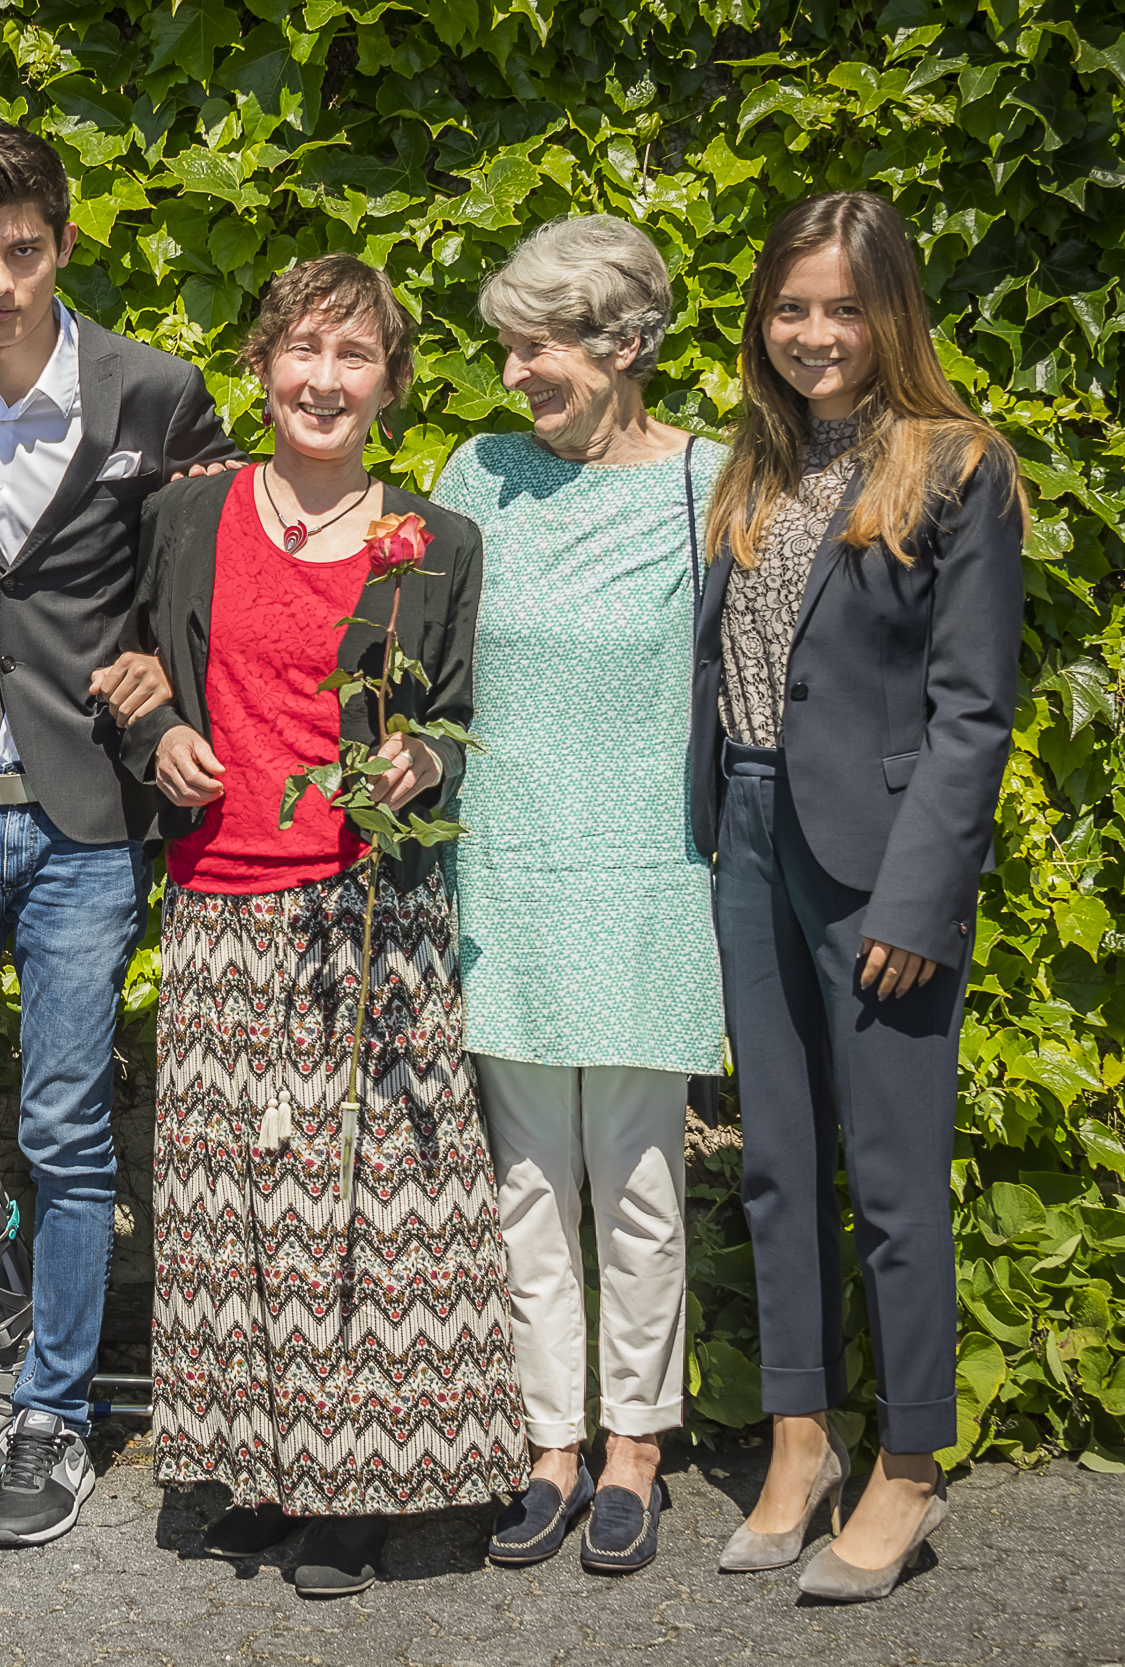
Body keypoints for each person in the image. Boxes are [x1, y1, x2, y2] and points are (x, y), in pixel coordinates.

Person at [0, 115, 239, 1549]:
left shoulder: (155, 392)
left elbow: (213, 571)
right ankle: (10, 1341)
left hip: (89, 812)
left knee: (70, 1132)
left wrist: (164, 678)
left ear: (65, 242)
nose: (0, 283)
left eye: (23, 250)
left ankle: (52, 1414)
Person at [121, 253, 525, 1597]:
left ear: (390, 383)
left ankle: (357, 1489)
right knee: (232, 1203)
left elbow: (453, 713)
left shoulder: (436, 542)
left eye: (355, 356)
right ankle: (262, 1470)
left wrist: (424, 760)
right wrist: (157, 735)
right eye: (303, 349)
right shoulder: (187, 514)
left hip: (365, 909)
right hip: (218, 898)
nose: (324, 379)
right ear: (261, 366)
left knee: (365, 1204)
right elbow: (130, 663)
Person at [691, 192, 1024, 1602]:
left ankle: (909, 1466)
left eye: (841, 307)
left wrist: (918, 898)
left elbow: (974, 708)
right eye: (790, 306)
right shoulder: (755, 465)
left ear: (891, 314)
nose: (813, 333)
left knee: (889, 1179)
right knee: (776, 1163)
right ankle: (799, 1438)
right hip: (750, 833)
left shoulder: (959, 466)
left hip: (881, 864)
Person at [425, 215, 725, 1576]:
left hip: (650, 872)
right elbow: (418, 658)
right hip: (504, 868)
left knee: (643, 1186)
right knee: (525, 1184)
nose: (513, 375)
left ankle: (635, 1448)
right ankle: (550, 1444)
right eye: (507, 347)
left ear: (628, 343)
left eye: (537, 347)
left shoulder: (711, 483)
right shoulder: (475, 474)